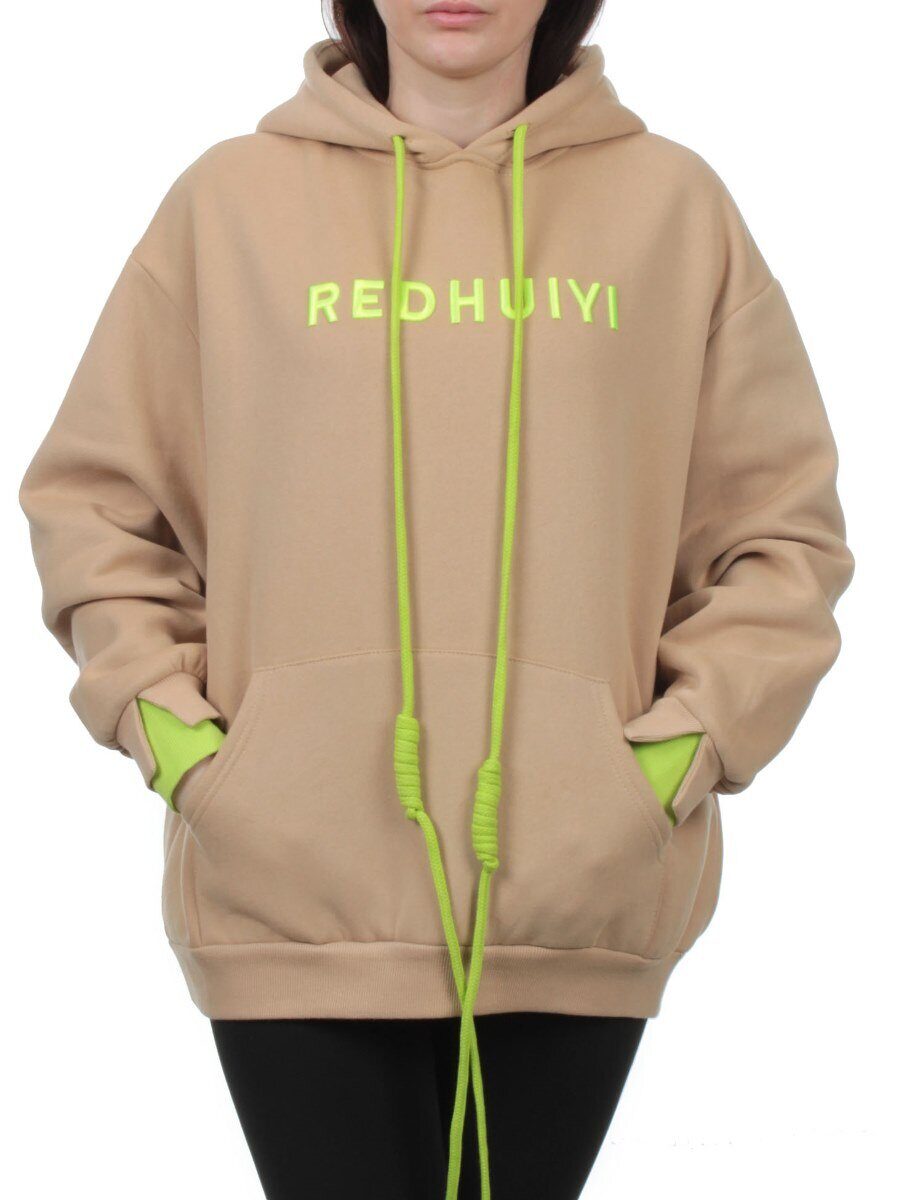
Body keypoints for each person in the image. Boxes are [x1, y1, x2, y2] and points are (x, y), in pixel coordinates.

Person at [19, 2, 854, 1197]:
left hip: (573, 896)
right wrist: (184, 746)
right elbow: (96, 503)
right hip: (287, 895)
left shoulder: (674, 207)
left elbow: (781, 535)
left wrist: (666, 763)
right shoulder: (228, 203)